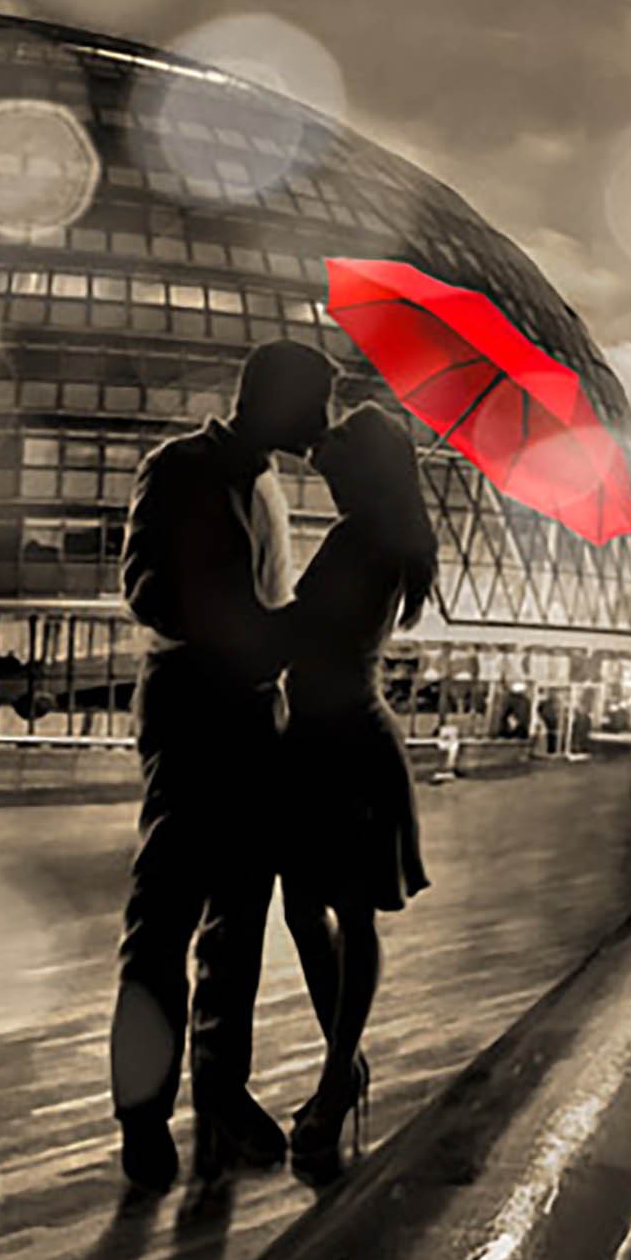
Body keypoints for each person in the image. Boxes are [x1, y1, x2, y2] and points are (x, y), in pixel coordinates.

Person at [110, 340, 337, 1193]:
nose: (320, 426)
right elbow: (146, 589)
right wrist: (240, 628)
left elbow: (266, 606)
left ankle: (221, 1092)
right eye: (314, 406)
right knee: (164, 920)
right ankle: (141, 1113)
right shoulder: (179, 468)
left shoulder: (271, 487)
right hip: (193, 712)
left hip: (250, 719)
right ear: (274, 400)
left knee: (237, 925)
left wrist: (282, 631)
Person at [273, 403, 435, 1182]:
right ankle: (343, 1064)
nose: (322, 472)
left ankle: (338, 1077)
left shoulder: (359, 541)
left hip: (339, 745)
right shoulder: (378, 540)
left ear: (360, 469)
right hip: (329, 741)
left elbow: (302, 635)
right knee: (322, 910)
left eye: (330, 461)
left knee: (338, 910)